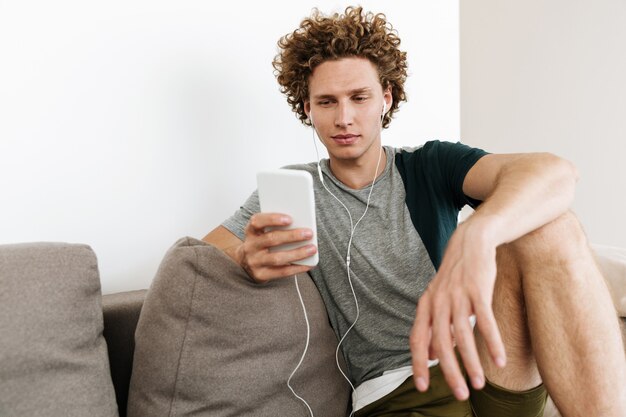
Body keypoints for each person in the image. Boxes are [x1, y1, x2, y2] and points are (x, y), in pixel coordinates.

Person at [203, 6, 625, 417]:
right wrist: (244, 259)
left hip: (486, 372)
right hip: (397, 393)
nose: (345, 117)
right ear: (308, 109)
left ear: (385, 99)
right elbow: (196, 264)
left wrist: (481, 232)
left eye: (359, 97)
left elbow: (556, 173)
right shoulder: (293, 191)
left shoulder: (429, 164)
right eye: (327, 102)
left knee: (554, 227)